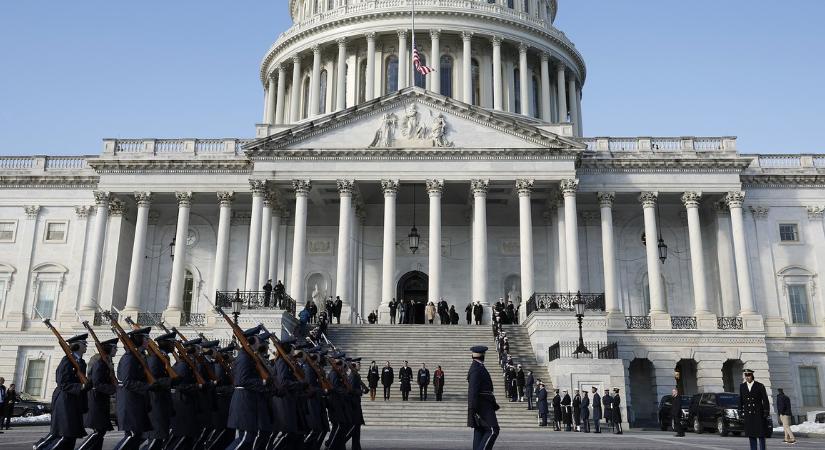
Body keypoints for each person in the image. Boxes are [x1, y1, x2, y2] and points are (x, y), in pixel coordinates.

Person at [35, 332, 89, 450]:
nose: (86, 345)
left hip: (74, 401)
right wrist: (81, 387)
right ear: (76, 345)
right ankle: (42, 447)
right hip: (64, 401)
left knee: (72, 435)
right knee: (64, 434)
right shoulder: (67, 361)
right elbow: (62, 383)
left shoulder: (82, 362)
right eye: (84, 343)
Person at [226, 325, 273, 450]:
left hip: (248, 400)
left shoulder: (249, 357)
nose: (261, 342)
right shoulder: (244, 358)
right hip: (244, 401)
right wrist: (262, 382)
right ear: (252, 340)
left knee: (248, 437)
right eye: (258, 339)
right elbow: (242, 380)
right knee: (244, 438)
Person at [113, 327, 153, 450]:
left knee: (138, 437)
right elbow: (127, 381)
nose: (148, 341)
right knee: (132, 436)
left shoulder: (139, 356)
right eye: (146, 338)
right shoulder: (129, 358)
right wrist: (148, 386)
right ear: (139, 339)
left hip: (137, 402)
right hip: (130, 403)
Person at [77, 337, 118, 450]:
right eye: (115, 347)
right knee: (99, 431)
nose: (116, 350)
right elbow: (96, 383)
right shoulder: (100, 363)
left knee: (101, 431)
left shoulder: (107, 361)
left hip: (101, 400)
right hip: (96, 400)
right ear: (109, 348)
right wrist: (113, 389)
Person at [143, 332, 176, 450]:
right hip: (156, 403)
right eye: (172, 342)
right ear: (165, 343)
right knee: (155, 439)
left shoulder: (163, 358)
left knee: (161, 439)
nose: (174, 345)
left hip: (162, 403)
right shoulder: (155, 359)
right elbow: (152, 380)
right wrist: (170, 381)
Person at [467, 346, 499, 450]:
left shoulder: (478, 367)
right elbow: (473, 391)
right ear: (483, 355)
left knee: (480, 430)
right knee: (493, 430)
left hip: (483, 404)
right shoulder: (476, 369)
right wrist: (473, 409)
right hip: (482, 405)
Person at [740, 369, 770, 450]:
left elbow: (765, 400)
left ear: (752, 376)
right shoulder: (742, 386)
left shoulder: (760, 386)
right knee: (751, 435)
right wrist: (740, 411)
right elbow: (741, 400)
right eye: (746, 375)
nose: (747, 377)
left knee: (761, 435)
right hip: (748, 414)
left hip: (758, 414)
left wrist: (766, 411)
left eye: (749, 375)